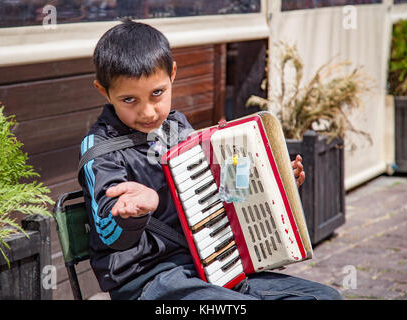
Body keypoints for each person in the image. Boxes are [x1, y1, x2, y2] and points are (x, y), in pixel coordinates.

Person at [78, 18, 342, 300]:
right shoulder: (99, 148)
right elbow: (110, 235)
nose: (148, 112)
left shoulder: (176, 127)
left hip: (211, 267)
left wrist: (273, 185)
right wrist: (134, 214)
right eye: (129, 100)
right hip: (148, 282)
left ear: (173, 75)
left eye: (157, 93)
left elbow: (223, 199)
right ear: (104, 92)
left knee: (327, 298)